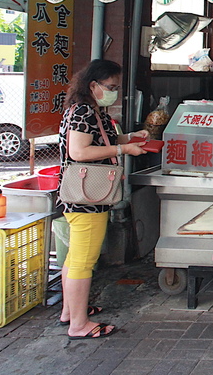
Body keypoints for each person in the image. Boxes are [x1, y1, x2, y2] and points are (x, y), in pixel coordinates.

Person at [58, 59, 149, 339]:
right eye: (110, 87)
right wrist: (125, 150)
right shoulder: (84, 111)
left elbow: (101, 141)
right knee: (83, 261)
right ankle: (79, 325)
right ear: (93, 85)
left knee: (76, 257)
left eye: (117, 87)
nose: (114, 92)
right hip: (86, 198)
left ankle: (70, 311)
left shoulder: (88, 110)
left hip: (83, 197)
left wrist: (130, 138)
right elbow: (80, 152)